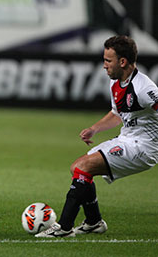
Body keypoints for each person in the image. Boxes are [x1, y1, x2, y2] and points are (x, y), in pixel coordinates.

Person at [36, 35, 158, 238]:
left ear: (122, 61)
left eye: (108, 60)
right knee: (78, 168)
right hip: (126, 139)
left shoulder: (144, 88)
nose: (104, 65)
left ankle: (64, 227)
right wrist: (94, 129)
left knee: (84, 167)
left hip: (143, 149)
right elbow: (117, 114)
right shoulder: (116, 83)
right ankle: (93, 222)